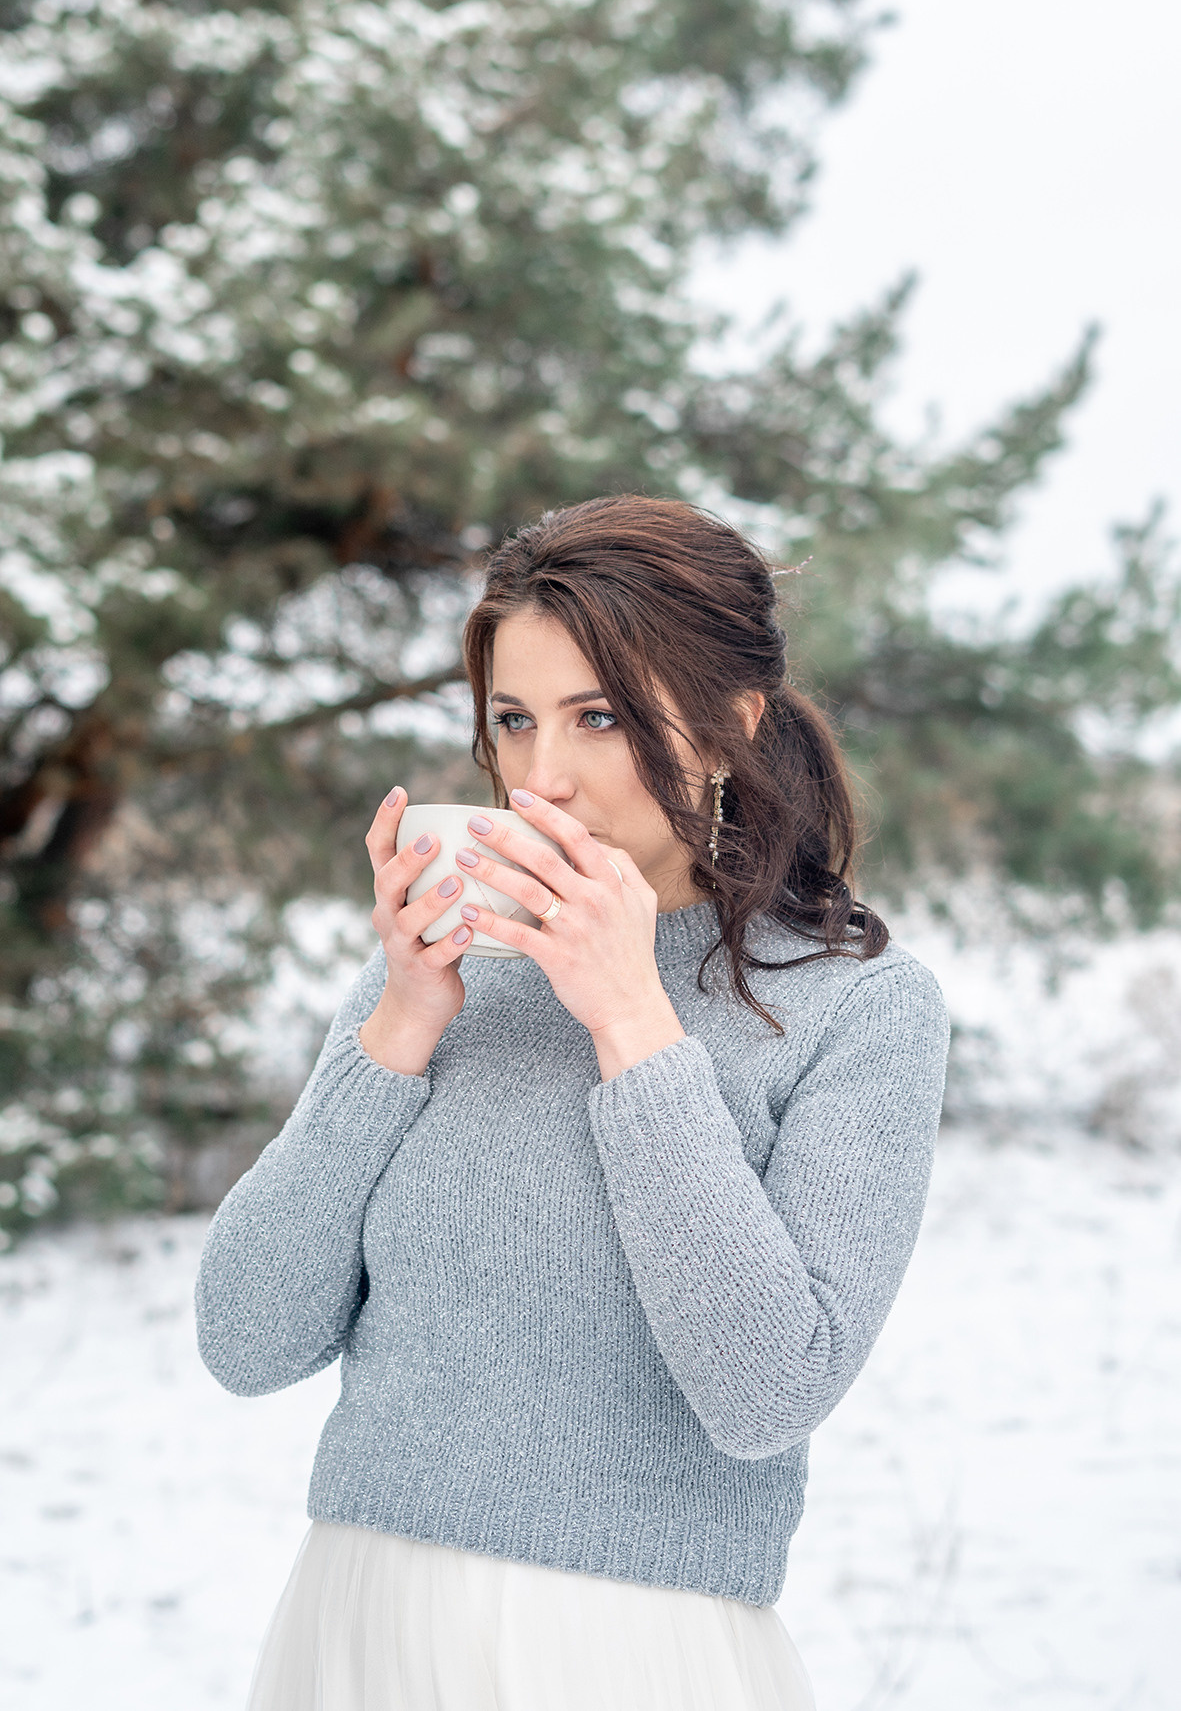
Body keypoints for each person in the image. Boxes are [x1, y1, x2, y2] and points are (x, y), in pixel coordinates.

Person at [194, 494, 950, 1710]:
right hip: (358, 1635)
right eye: (512, 720)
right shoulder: (440, 977)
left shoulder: (858, 1011)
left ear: (726, 726)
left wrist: (631, 1024)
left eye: (599, 717)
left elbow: (768, 1393)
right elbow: (245, 1340)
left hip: (637, 1653)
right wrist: (395, 1028)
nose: (540, 778)